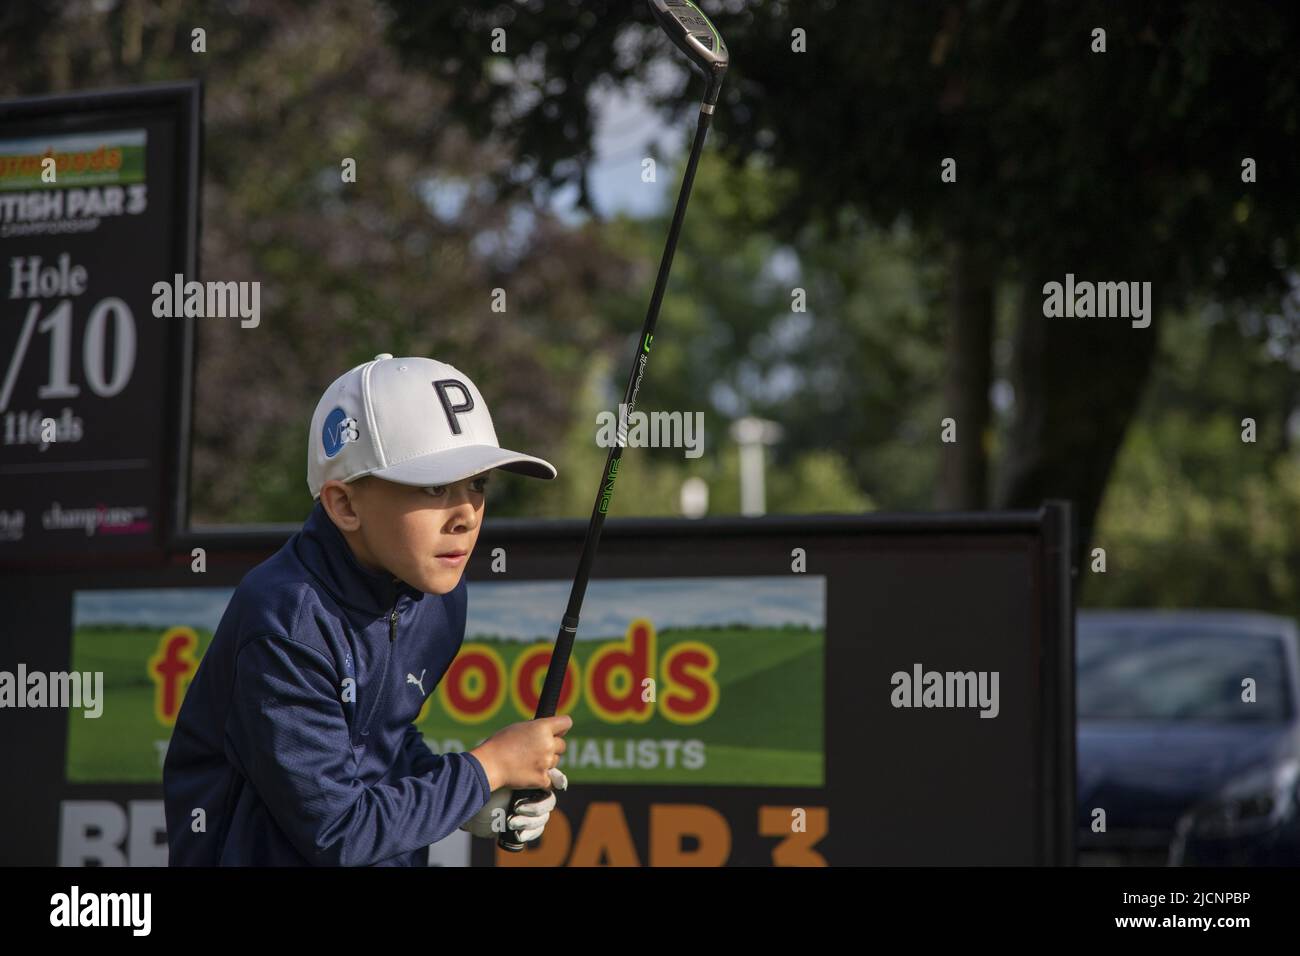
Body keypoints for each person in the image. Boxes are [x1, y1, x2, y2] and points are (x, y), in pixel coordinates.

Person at [163, 353, 571, 865]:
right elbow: (338, 832)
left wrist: (468, 801)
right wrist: (483, 770)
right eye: (434, 487)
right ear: (345, 505)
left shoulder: (440, 597)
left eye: (478, 484)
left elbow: (380, 738)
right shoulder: (286, 623)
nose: (467, 514)